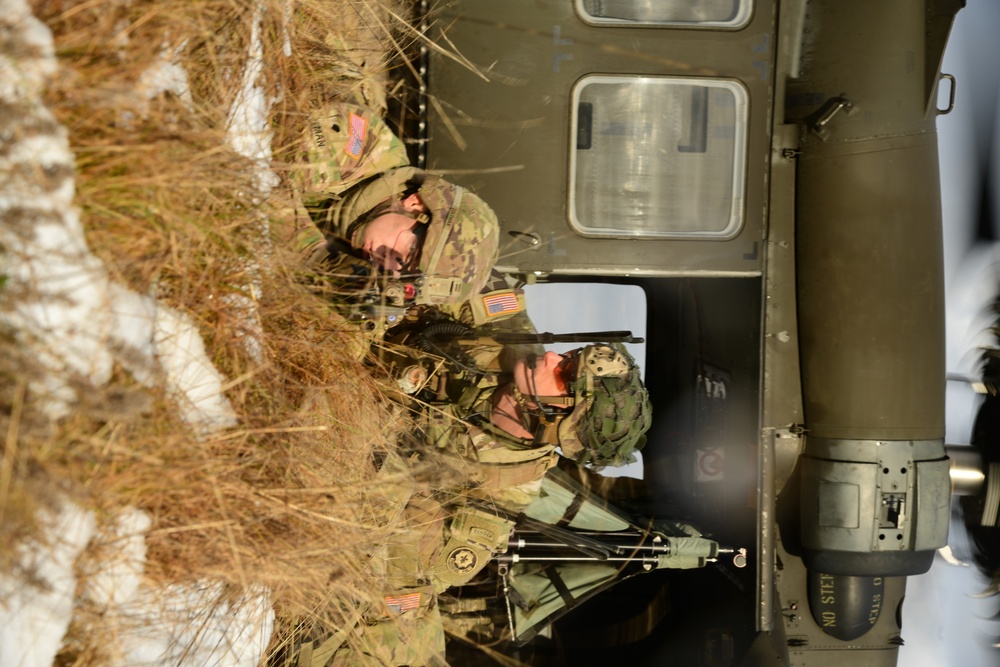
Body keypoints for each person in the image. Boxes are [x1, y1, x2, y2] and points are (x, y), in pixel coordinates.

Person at [291, 103, 514, 319]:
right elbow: (264, 192)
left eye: (404, 276)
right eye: (405, 255)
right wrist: (316, 257)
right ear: (415, 203)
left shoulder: (365, 258)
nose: (387, 268)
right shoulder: (355, 147)